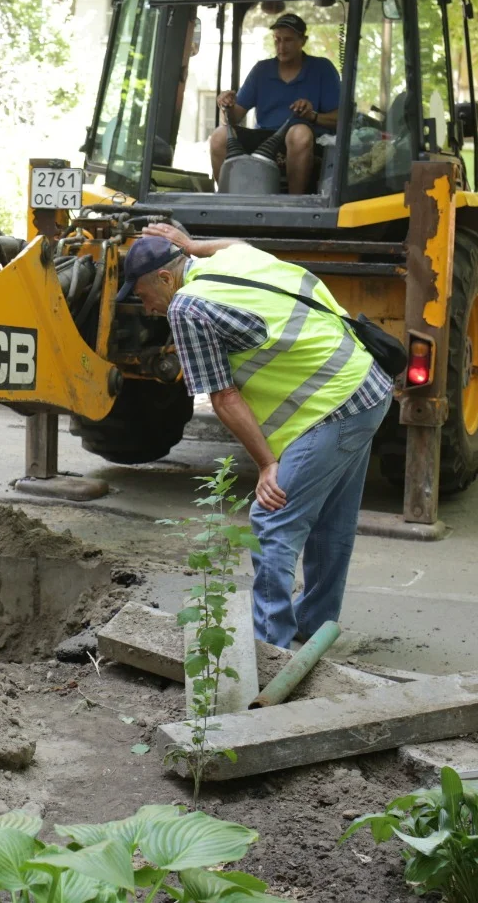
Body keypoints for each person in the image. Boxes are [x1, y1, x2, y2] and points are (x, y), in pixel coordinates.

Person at [118, 225, 393, 648]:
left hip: (337, 406)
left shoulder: (187, 308)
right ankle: (316, 626)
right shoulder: (228, 260)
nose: (147, 306)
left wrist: (267, 464)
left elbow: (224, 397)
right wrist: (194, 245)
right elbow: (238, 244)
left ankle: (271, 648)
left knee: (272, 517)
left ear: (166, 279)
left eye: (142, 293)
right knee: (331, 521)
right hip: (368, 385)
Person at [210, 12, 340, 195]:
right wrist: (226, 106)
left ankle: (294, 205)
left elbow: (341, 118)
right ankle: (225, 197)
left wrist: (313, 116)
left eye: (288, 40)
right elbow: (233, 118)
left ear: (303, 41)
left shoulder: (322, 69)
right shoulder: (261, 70)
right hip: (265, 141)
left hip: (304, 141)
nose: (281, 47)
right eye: (277, 40)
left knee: (299, 133)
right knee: (219, 136)